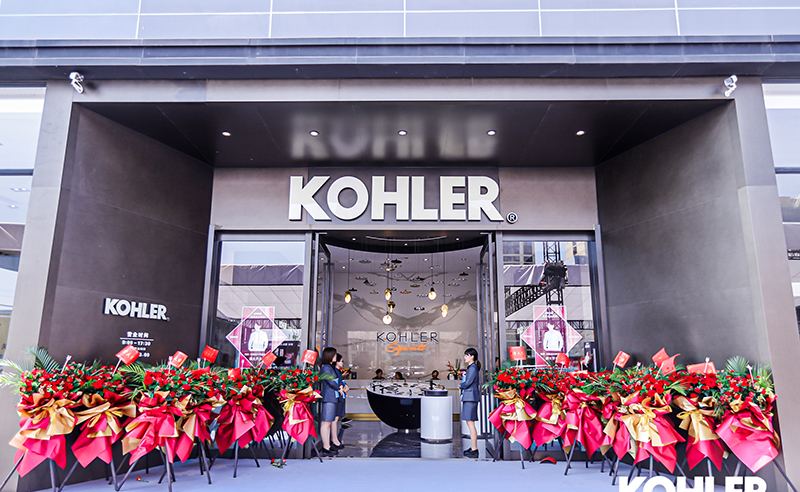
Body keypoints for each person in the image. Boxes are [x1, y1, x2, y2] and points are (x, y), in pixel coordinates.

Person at [319, 347, 341, 456]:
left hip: (331, 397)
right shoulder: (326, 368)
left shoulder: (328, 367)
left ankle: (327, 445)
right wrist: (339, 388)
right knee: (326, 422)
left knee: (328, 422)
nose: (336, 357)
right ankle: (325, 446)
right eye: (334, 355)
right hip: (329, 397)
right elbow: (331, 381)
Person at [459, 348, 481, 458]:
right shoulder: (472, 367)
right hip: (470, 397)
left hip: (470, 397)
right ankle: (473, 447)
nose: (465, 357)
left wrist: (460, 386)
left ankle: (474, 448)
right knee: (469, 423)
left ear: (472, 356)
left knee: (470, 423)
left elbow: (468, 383)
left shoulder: (472, 368)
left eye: (467, 355)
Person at [333, 353, 349, 443]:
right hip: (338, 396)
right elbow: (337, 383)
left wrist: (345, 387)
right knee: (335, 419)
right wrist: (342, 389)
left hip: (340, 396)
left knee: (336, 419)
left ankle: (335, 439)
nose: (343, 363)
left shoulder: (338, 372)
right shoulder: (334, 371)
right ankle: (335, 440)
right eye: (341, 361)